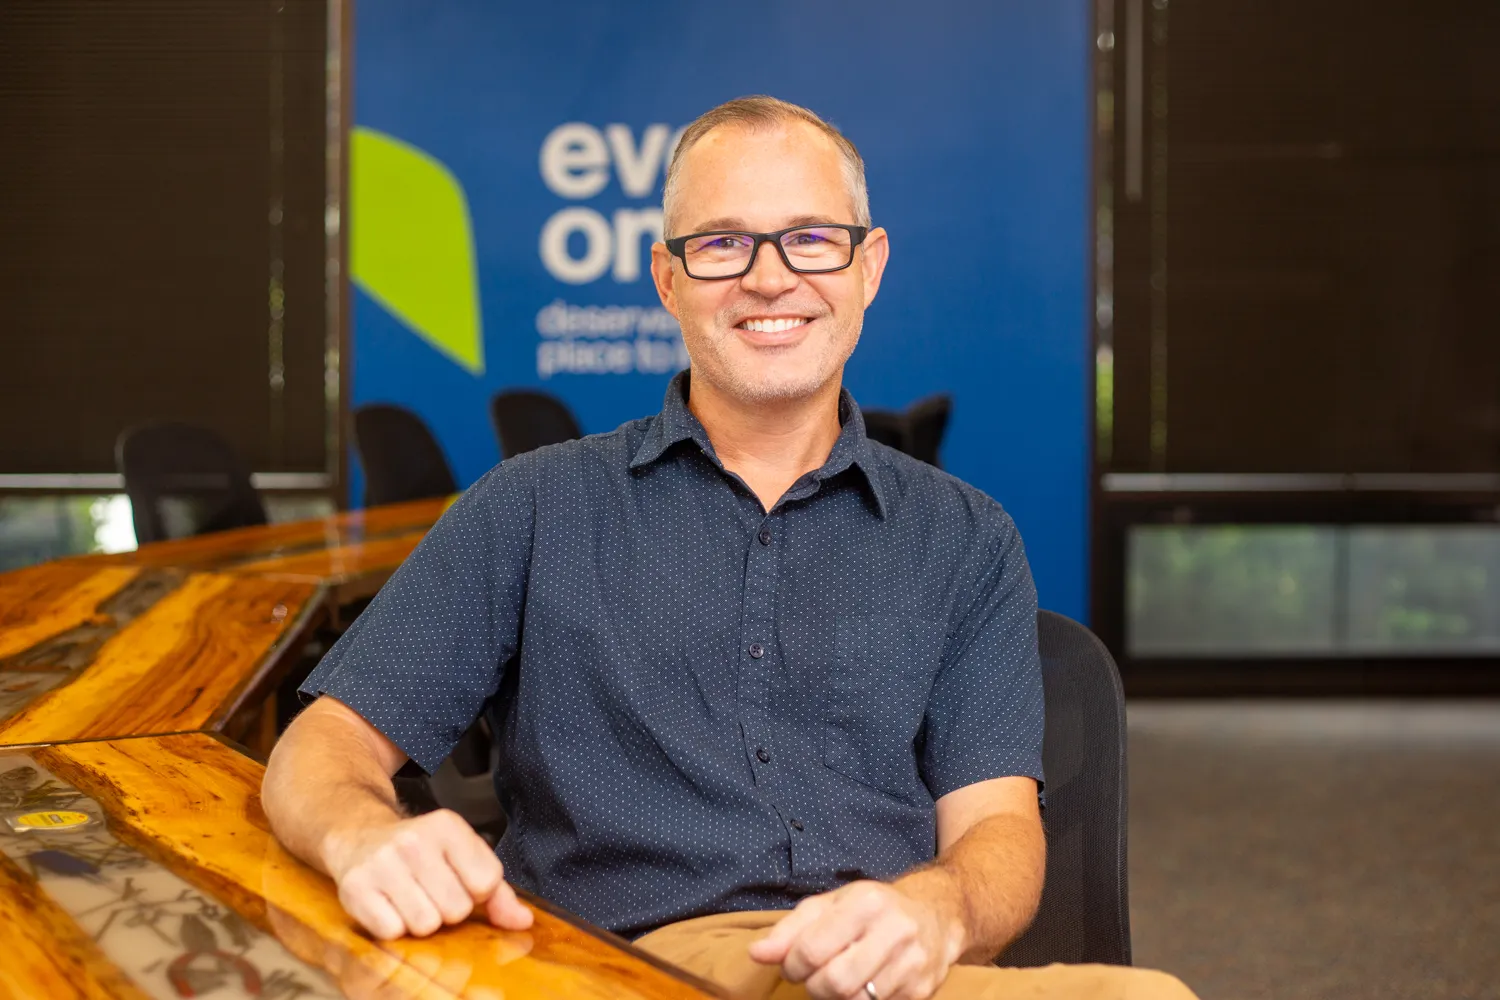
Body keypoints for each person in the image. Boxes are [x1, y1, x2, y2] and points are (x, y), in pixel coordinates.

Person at [263, 96, 1197, 1000]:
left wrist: (938, 909)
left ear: (868, 267)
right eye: (721, 244)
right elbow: (325, 743)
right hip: (628, 968)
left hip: (884, 973)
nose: (769, 278)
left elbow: (997, 831)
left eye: (810, 239)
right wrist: (363, 838)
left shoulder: (967, 539)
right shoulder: (534, 506)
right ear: (668, 279)